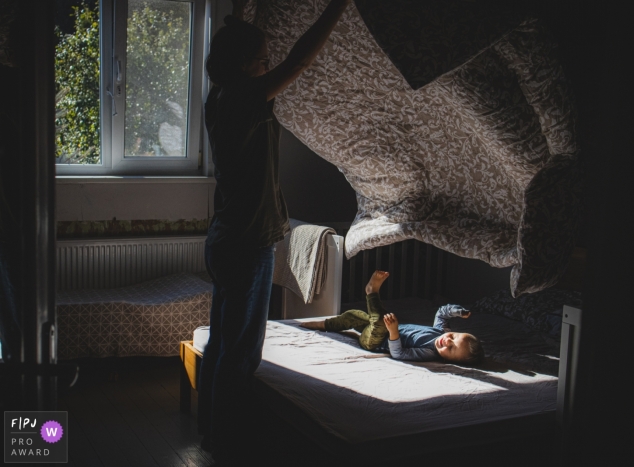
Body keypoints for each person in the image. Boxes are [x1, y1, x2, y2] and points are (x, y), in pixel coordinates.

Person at [197, 0, 352, 460]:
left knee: (224, 341)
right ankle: (230, 442)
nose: (269, 66)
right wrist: (336, 8)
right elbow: (300, 59)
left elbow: (274, 62)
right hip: (247, 242)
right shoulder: (244, 96)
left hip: (226, 237)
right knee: (242, 351)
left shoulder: (219, 95)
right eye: (263, 59)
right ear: (247, 65)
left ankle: (212, 429)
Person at [300, 271, 485, 364]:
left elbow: (399, 354)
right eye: (453, 337)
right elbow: (442, 313)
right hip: (380, 330)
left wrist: (394, 332)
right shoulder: (441, 332)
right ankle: (323, 324)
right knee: (354, 316)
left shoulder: (429, 353)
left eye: (450, 350)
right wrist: (459, 311)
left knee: (378, 320)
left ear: (449, 360)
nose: (447, 341)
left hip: (374, 342)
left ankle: (371, 292)